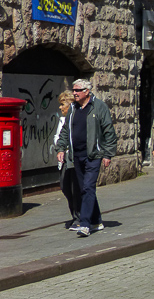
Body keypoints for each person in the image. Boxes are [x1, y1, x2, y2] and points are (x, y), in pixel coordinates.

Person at [56, 79, 117, 237]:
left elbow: (108, 131)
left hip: (93, 155)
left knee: (88, 187)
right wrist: (61, 148)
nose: (74, 93)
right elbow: (66, 130)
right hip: (77, 155)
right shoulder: (73, 108)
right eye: (74, 90)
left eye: (77, 90)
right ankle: (96, 221)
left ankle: (85, 224)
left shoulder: (99, 107)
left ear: (87, 91)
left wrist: (108, 154)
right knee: (85, 189)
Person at [54, 90, 81, 230]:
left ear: (70, 104)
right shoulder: (62, 119)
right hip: (64, 160)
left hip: (74, 159)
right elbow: (59, 137)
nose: (60, 107)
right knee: (65, 188)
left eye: (62, 104)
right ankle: (75, 215)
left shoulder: (75, 118)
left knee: (75, 188)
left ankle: (79, 217)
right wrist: (59, 148)